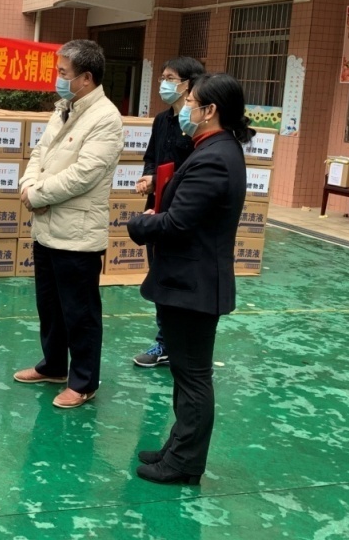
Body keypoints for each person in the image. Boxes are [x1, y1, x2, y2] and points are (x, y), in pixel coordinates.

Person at [126, 73, 253, 484]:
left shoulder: (214, 157)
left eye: (191, 103)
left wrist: (141, 223)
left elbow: (178, 223)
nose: (184, 109)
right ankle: (177, 448)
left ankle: (185, 463)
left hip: (192, 284)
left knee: (194, 377)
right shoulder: (213, 149)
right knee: (185, 373)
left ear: (210, 110)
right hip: (188, 281)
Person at [15, 39, 124, 409]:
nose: (58, 79)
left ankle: (83, 381)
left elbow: (85, 174)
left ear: (86, 78)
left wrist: (38, 194)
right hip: (47, 227)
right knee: (50, 305)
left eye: (64, 73)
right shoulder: (64, 108)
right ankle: (53, 366)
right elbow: (40, 154)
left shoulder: (106, 118)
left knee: (80, 312)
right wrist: (28, 185)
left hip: (77, 234)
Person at [132, 56, 205, 368]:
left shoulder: (197, 124)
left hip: (184, 212)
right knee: (159, 275)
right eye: (162, 77)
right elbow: (153, 157)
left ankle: (183, 343)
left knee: (182, 278)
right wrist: (149, 177)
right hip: (157, 209)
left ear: (188, 84)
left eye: (170, 78)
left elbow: (195, 170)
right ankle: (164, 342)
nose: (164, 83)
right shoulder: (162, 121)